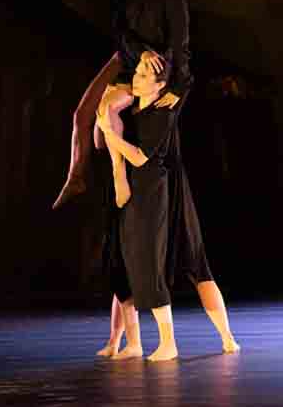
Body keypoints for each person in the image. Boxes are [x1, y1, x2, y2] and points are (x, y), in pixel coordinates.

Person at [99, 59, 239, 361]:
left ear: (161, 85)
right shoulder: (134, 111)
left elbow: (140, 156)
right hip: (139, 192)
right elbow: (108, 137)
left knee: (191, 264)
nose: (135, 78)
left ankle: (219, 337)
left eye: (143, 74)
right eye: (136, 72)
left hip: (159, 191)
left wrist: (112, 136)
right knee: (126, 265)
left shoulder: (163, 113)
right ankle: (132, 343)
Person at [52, 0, 191, 211]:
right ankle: (110, 169)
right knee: (91, 111)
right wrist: (140, 51)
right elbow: (121, 31)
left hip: (151, 70)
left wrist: (179, 86)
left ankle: (115, 174)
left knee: (107, 112)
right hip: (128, 58)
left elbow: (180, 46)